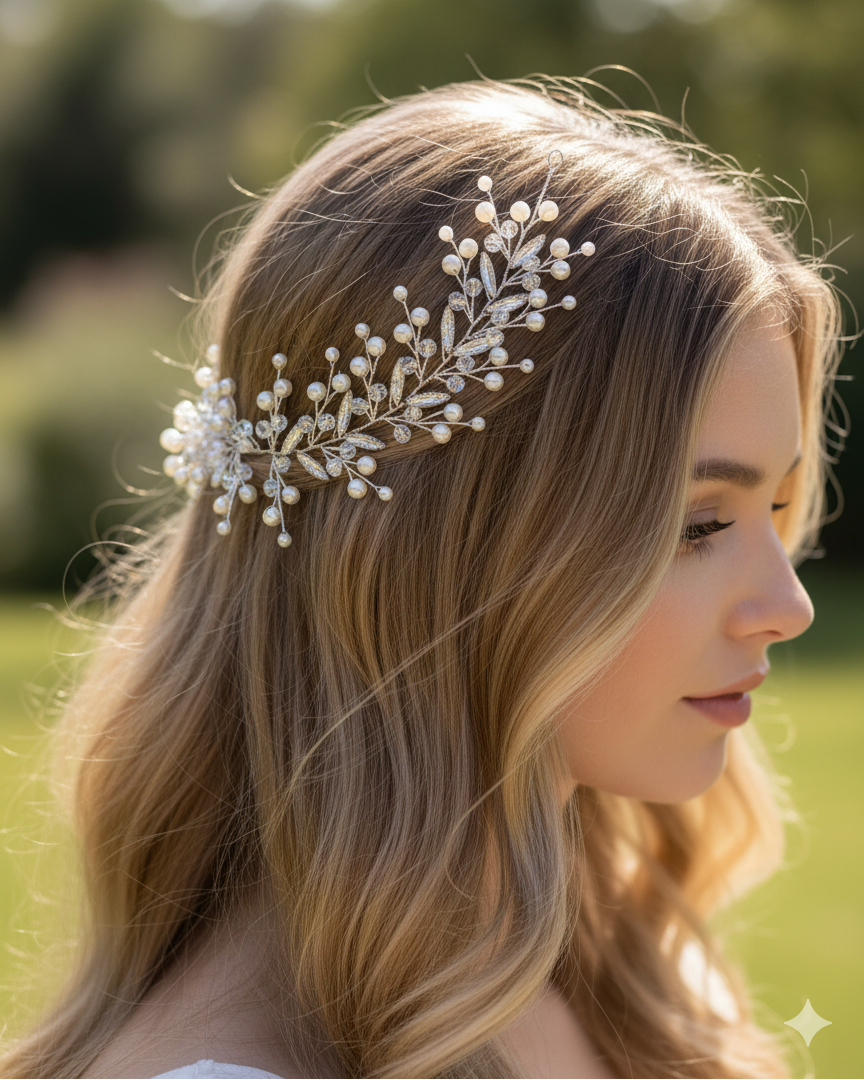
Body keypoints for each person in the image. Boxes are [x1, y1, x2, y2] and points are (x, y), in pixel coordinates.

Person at [0, 78, 841, 1080]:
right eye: (696, 524)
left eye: (776, 508)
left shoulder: (614, 969)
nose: (788, 608)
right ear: (442, 551)